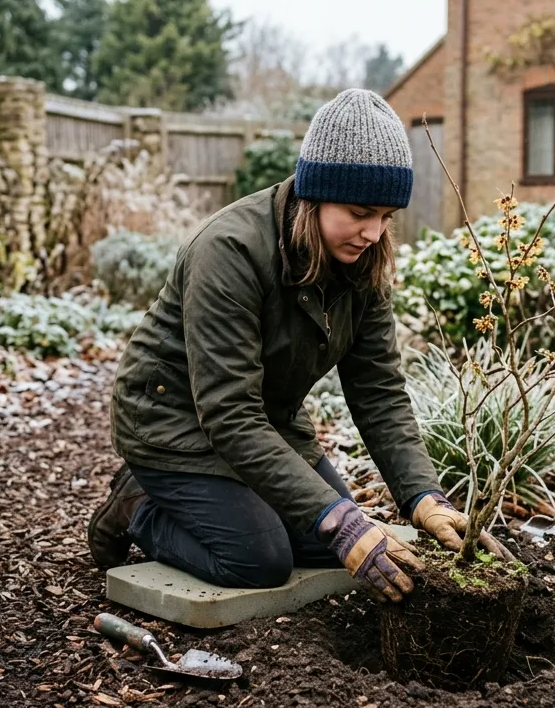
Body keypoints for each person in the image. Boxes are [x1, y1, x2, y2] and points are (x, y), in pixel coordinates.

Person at [87, 88, 510, 602]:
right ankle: (139, 505)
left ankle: (215, 506)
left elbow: (378, 390)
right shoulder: (231, 252)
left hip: (264, 423)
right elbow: (228, 413)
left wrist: (424, 498)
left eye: (386, 217)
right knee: (260, 559)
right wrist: (339, 521)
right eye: (360, 212)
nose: (374, 232)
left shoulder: (363, 265)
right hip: (171, 422)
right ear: (315, 193)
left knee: (329, 543)